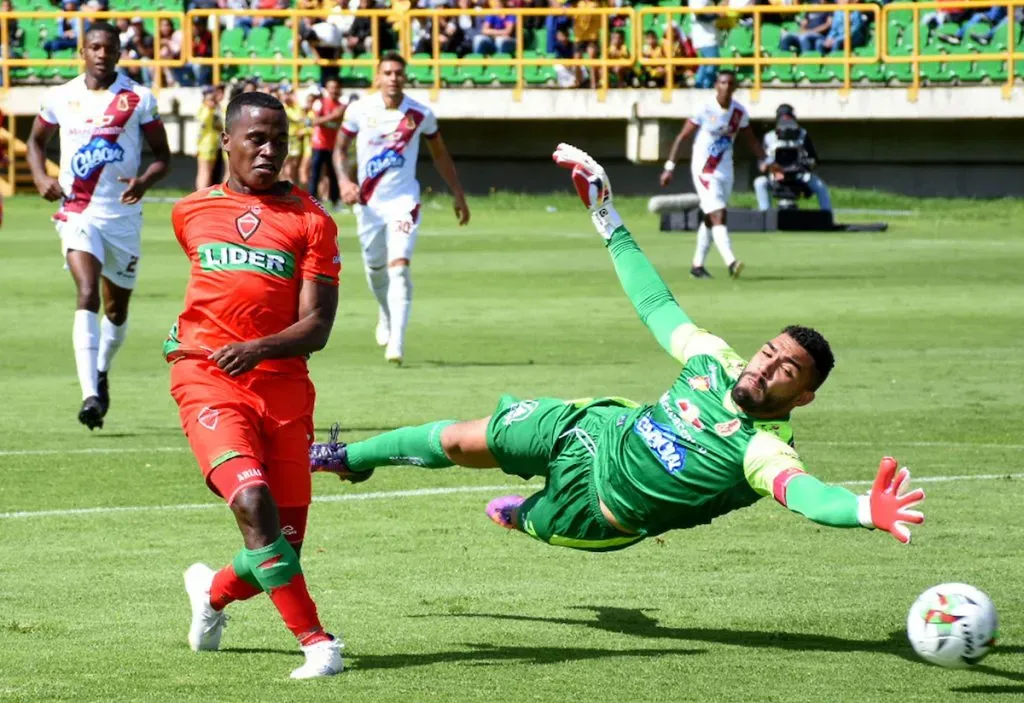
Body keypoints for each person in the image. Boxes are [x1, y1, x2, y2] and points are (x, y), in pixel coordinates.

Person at [310, 143, 927, 555]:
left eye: (786, 369)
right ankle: (346, 455)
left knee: (528, 514)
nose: (766, 366)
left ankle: (529, 514)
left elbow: (806, 494)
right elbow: (658, 306)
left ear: (805, 396)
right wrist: (607, 217)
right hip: (596, 430)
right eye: (769, 352)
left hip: (600, 510)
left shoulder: (764, 449)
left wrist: (862, 511)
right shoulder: (715, 361)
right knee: (459, 439)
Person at [168, 91, 343, 679]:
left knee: (281, 546)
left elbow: (318, 325)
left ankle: (211, 595)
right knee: (251, 501)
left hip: (285, 388)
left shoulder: (313, 220)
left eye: (279, 140)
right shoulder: (190, 211)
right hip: (207, 379)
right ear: (226, 142)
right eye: (256, 139)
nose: (269, 151)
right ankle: (318, 642)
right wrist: (208, 343)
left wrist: (258, 348)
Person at [27, 22, 171, 430]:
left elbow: (162, 155)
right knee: (86, 291)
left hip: (122, 216)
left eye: (109, 47)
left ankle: (102, 368)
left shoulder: (138, 98)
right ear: (82, 52)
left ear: (120, 53)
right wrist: (40, 178)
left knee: (117, 310)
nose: (102, 54)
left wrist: (145, 181)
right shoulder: (60, 96)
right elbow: (36, 142)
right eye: (94, 47)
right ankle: (90, 394)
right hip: (78, 212)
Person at [333, 51, 468, 366]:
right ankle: (385, 313)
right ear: (378, 77)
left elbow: (439, 154)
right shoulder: (358, 110)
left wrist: (458, 193)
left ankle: (397, 342)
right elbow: (339, 149)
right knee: (375, 269)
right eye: (388, 73)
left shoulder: (420, 114)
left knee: (399, 267)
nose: (393, 78)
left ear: (404, 77)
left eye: (398, 73)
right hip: (368, 204)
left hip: (404, 203)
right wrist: (343, 181)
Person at [659, 70, 770, 280]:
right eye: (722, 83)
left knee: (711, 217)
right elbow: (682, 137)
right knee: (719, 213)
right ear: (716, 86)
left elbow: (751, 141)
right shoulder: (704, 108)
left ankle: (697, 266)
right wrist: (669, 167)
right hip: (704, 170)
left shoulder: (739, 113)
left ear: (735, 87)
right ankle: (731, 262)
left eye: (730, 83)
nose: (726, 87)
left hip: (725, 170)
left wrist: (766, 161)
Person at [753, 104, 832, 213]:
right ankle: (765, 215)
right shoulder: (769, 137)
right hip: (777, 175)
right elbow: (761, 165)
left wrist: (807, 163)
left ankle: (827, 215)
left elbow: (814, 160)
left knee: (820, 186)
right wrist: (769, 163)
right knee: (760, 182)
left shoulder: (802, 135)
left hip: (798, 175)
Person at [307, 77, 346, 211]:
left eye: (336, 87)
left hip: (333, 145)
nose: (334, 90)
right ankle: (311, 202)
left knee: (333, 174)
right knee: (315, 174)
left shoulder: (341, 106)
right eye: (331, 87)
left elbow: (340, 123)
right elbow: (314, 121)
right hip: (318, 144)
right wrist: (333, 116)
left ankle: (336, 202)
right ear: (327, 89)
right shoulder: (320, 103)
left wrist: (336, 116)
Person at [195, 86, 222, 189]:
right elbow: (200, 130)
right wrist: (196, 146)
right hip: (206, 144)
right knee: (204, 171)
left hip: (210, 144)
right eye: (211, 100)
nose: (213, 102)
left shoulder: (208, 110)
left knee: (207, 171)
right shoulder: (207, 111)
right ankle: (201, 194)